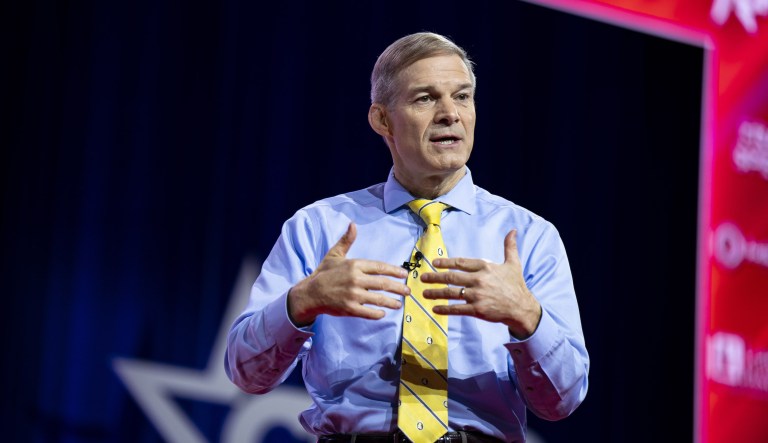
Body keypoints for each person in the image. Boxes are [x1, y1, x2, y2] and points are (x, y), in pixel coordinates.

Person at [225, 31, 589, 443]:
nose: (450, 113)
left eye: (463, 96)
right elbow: (246, 373)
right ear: (382, 119)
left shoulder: (530, 237)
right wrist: (301, 303)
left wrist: (527, 317)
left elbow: (562, 401)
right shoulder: (319, 227)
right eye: (425, 98)